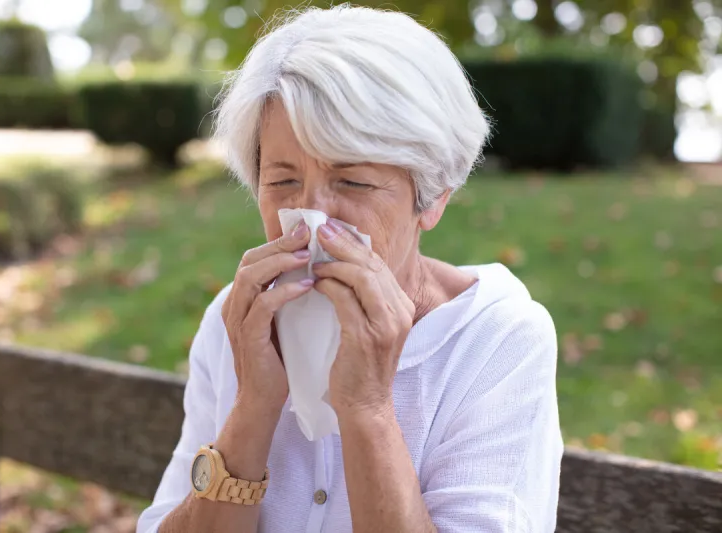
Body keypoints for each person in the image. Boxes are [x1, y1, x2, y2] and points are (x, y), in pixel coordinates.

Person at [137, 5, 562, 533]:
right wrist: (253, 407)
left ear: (433, 197)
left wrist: (369, 407)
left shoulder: (495, 339)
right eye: (283, 182)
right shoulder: (238, 320)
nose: (313, 217)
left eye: (353, 182)